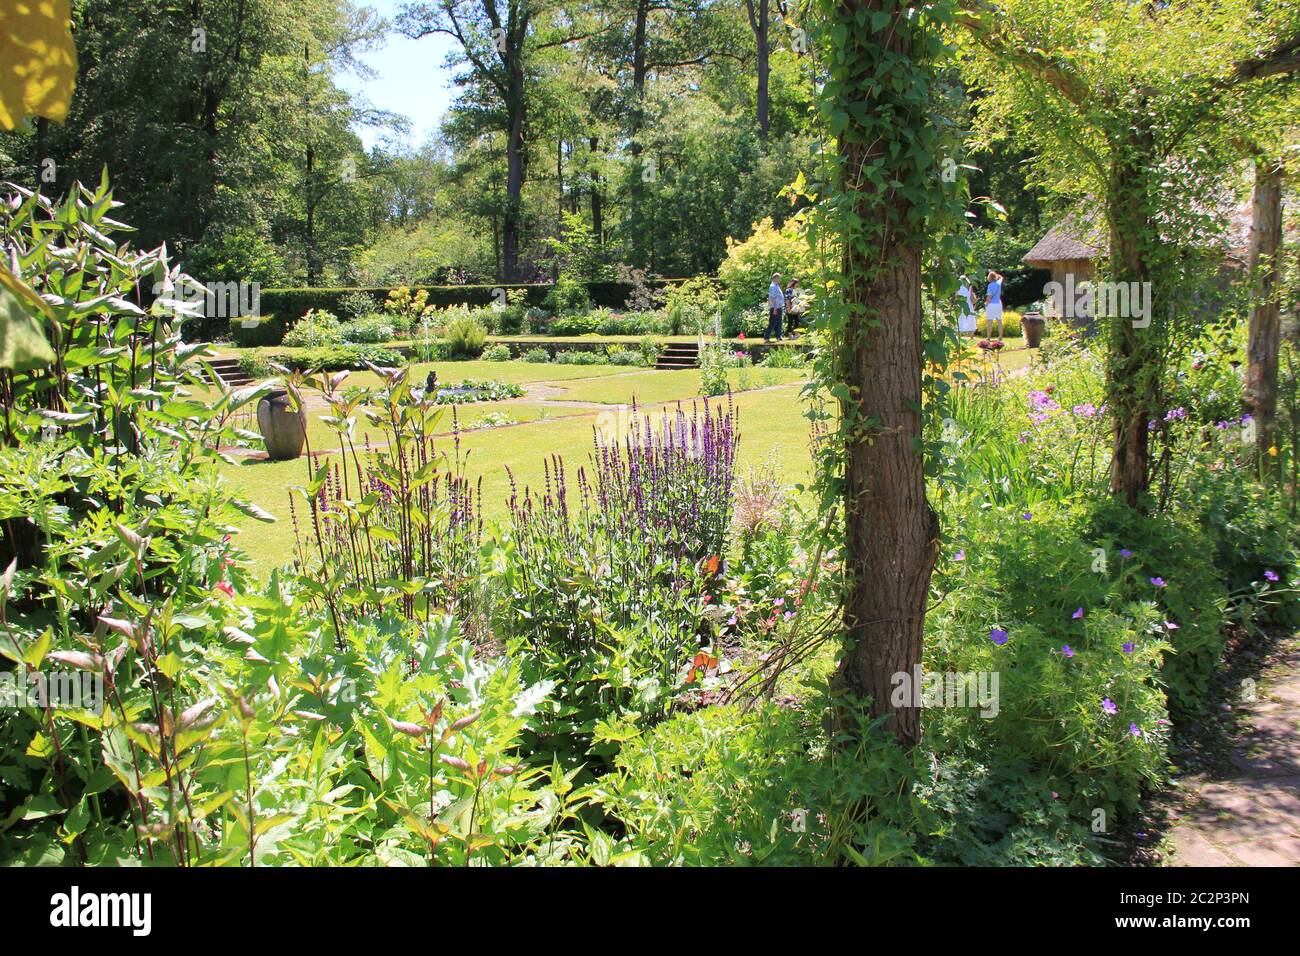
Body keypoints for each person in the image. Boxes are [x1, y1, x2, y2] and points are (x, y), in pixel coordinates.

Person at [985, 270, 1005, 340]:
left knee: (990, 321)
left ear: (989, 278)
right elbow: (1001, 277)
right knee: (999, 320)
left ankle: (989, 337)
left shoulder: (990, 285)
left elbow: (989, 297)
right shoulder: (998, 284)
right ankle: (1000, 336)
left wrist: (986, 305)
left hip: (991, 305)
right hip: (998, 304)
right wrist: (997, 275)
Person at [765, 272, 785, 342]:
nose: (780, 280)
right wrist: (775, 308)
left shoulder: (776, 286)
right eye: (779, 278)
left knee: (779, 322)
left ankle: (778, 336)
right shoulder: (772, 286)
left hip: (778, 307)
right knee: (773, 322)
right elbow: (772, 298)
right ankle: (766, 337)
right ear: (776, 278)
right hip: (775, 307)